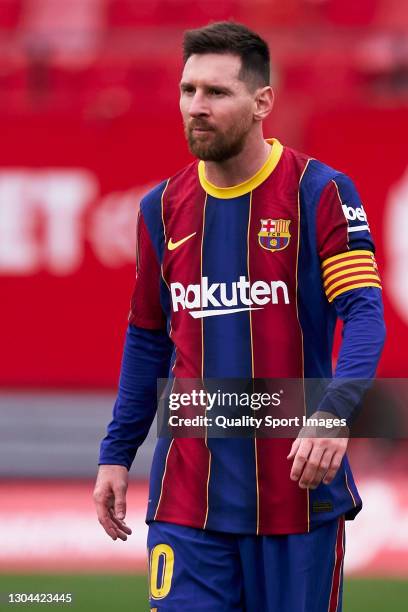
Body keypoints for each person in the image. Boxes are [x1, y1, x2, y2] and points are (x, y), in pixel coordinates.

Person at [93, 21, 385, 612]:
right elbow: (147, 337)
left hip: (297, 495)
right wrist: (115, 454)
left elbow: (365, 313)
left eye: (216, 93)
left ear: (262, 102)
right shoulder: (161, 209)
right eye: (188, 90)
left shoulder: (319, 192)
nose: (196, 107)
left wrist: (333, 415)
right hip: (187, 498)